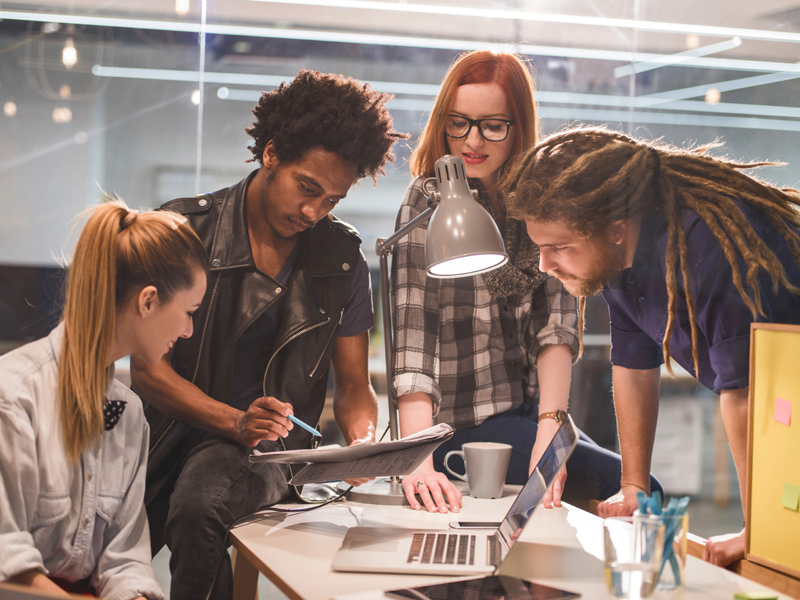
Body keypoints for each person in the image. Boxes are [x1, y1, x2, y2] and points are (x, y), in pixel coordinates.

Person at [130, 69, 406, 599]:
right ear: (272, 154)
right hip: (163, 435)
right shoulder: (183, 231)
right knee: (87, 557)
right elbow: (147, 371)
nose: (314, 211)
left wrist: (364, 445)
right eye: (307, 188)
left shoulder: (341, 258)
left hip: (270, 453)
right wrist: (234, 420)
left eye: (332, 200)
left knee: (200, 502)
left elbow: (353, 386)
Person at [505, 125, 800, 567]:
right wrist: (633, 487)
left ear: (616, 229)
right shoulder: (616, 258)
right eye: (540, 248)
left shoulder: (707, 248)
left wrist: (757, 530)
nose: (546, 265)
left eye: (559, 248)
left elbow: (746, 399)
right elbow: (632, 367)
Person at [391, 50, 651, 514]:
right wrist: (417, 458)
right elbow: (414, 344)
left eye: (493, 125)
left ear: (518, 126)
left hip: (526, 413)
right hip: (458, 430)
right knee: (624, 489)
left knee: (627, 490)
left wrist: (548, 435)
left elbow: (556, 327)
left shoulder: (537, 195)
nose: (472, 140)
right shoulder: (426, 204)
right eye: (459, 123)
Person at [0, 201, 208, 599]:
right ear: (147, 302)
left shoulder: (129, 415)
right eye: (188, 312)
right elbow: (7, 564)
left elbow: (125, 559)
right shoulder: (13, 399)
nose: (187, 331)